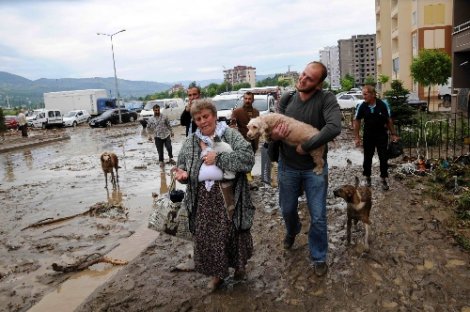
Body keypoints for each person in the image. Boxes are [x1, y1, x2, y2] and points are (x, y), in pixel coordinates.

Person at [172, 98, 255, 290]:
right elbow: (182, 166)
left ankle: (239, 268)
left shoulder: (230, 135)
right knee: (207, 237)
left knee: (233, 233)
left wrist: (218, 158)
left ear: (215, 116)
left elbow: (248, 159)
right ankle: (217, 275)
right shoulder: (191, 141)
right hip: (202, 198)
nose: (203, 121)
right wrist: (182, 175)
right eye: (198, 118)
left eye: (206, 116)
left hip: (229, 196)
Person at [270, 61, 341, 277]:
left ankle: (319, 256)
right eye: (303, 74)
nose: (302, 79)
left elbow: (334, 127)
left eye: (309, 78)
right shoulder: (287, 99)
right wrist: (275, 136)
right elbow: (272, 130)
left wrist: (307, 146)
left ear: (318, 84)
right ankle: (293, 230)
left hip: (314, 169)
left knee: (318, 216)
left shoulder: (326, 99)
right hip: (287, 166)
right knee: (288, 209)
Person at [353, 85, 399, 191]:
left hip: (381, 135)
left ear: (373, 94)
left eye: (365, 94)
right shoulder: (362, 106)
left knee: (383, 157)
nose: (363, 97)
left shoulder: (383, 105)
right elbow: (357, 121)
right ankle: (367, 176)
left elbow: (388, 120)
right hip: (368, 135)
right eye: (362, 94)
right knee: (367, 157)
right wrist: (357, 137)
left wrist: (393, 134)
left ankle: (383, 178)